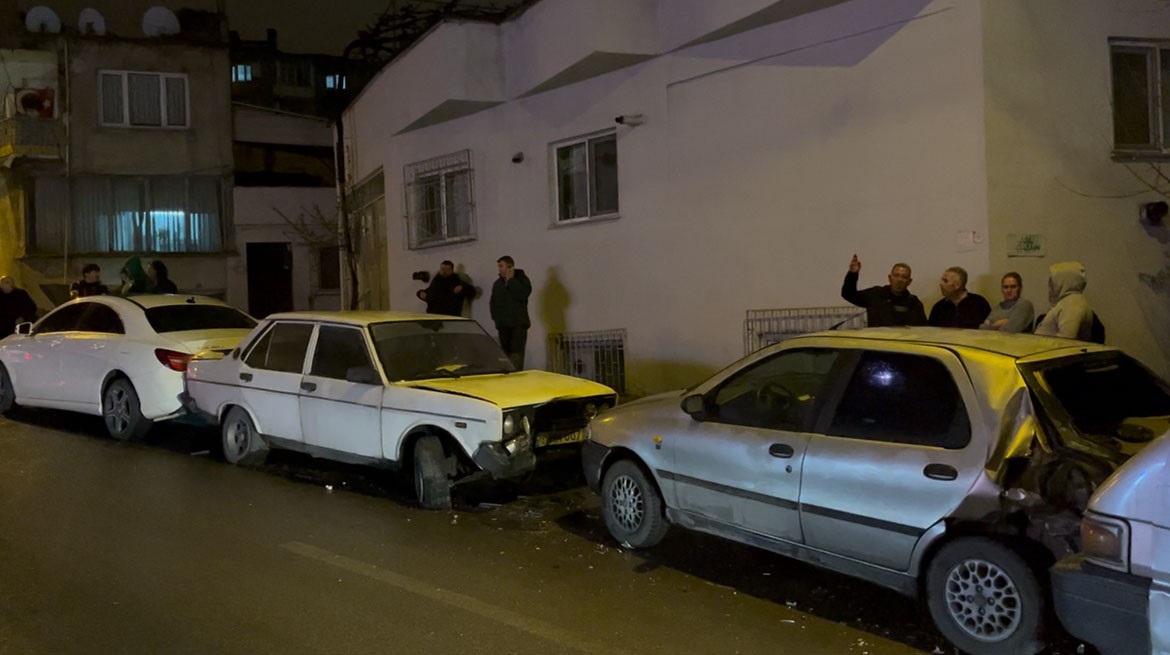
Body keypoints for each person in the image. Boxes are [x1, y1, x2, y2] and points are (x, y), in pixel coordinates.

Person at [840, 254, 927, 327]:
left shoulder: (914, 303)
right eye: (896, 275)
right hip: (878, 344)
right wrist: (852, 274)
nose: (899, 280)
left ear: (909, 281)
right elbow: (848, 294)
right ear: (889, 278)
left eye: (904, 277)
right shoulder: (875, 294)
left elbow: (921, 330)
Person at [490, 255, 532, 369]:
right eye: (498, 266)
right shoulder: (497, 284)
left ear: (510, 266)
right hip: (503, 325)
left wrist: (511, 281)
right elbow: (493, 302)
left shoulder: (521, 279)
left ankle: (516, 374)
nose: (499, 269)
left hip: (518, 324)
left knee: (516, 353)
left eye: (501, 266)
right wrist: (496, 319)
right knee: (505, 353)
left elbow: (523, 295)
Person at [1034, 261, 1094, 340]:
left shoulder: (1073, 305)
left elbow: (1065, 341)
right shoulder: (1068, 302)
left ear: (1063, 282)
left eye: (1053, 283)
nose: (1050, 287)